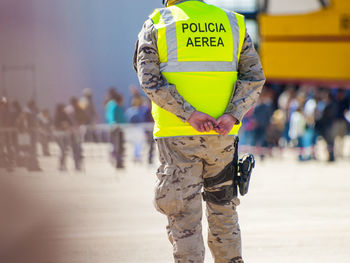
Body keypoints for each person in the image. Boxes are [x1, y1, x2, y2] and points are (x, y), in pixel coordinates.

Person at [133, 0, 265, 262]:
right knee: (224, 211)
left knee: (184, 217)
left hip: (177, 135)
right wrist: (232, 114)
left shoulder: (157, 22)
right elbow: (254, 76)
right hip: (222, 135)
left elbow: (149, 79)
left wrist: (189, 114)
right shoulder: (232, 23)